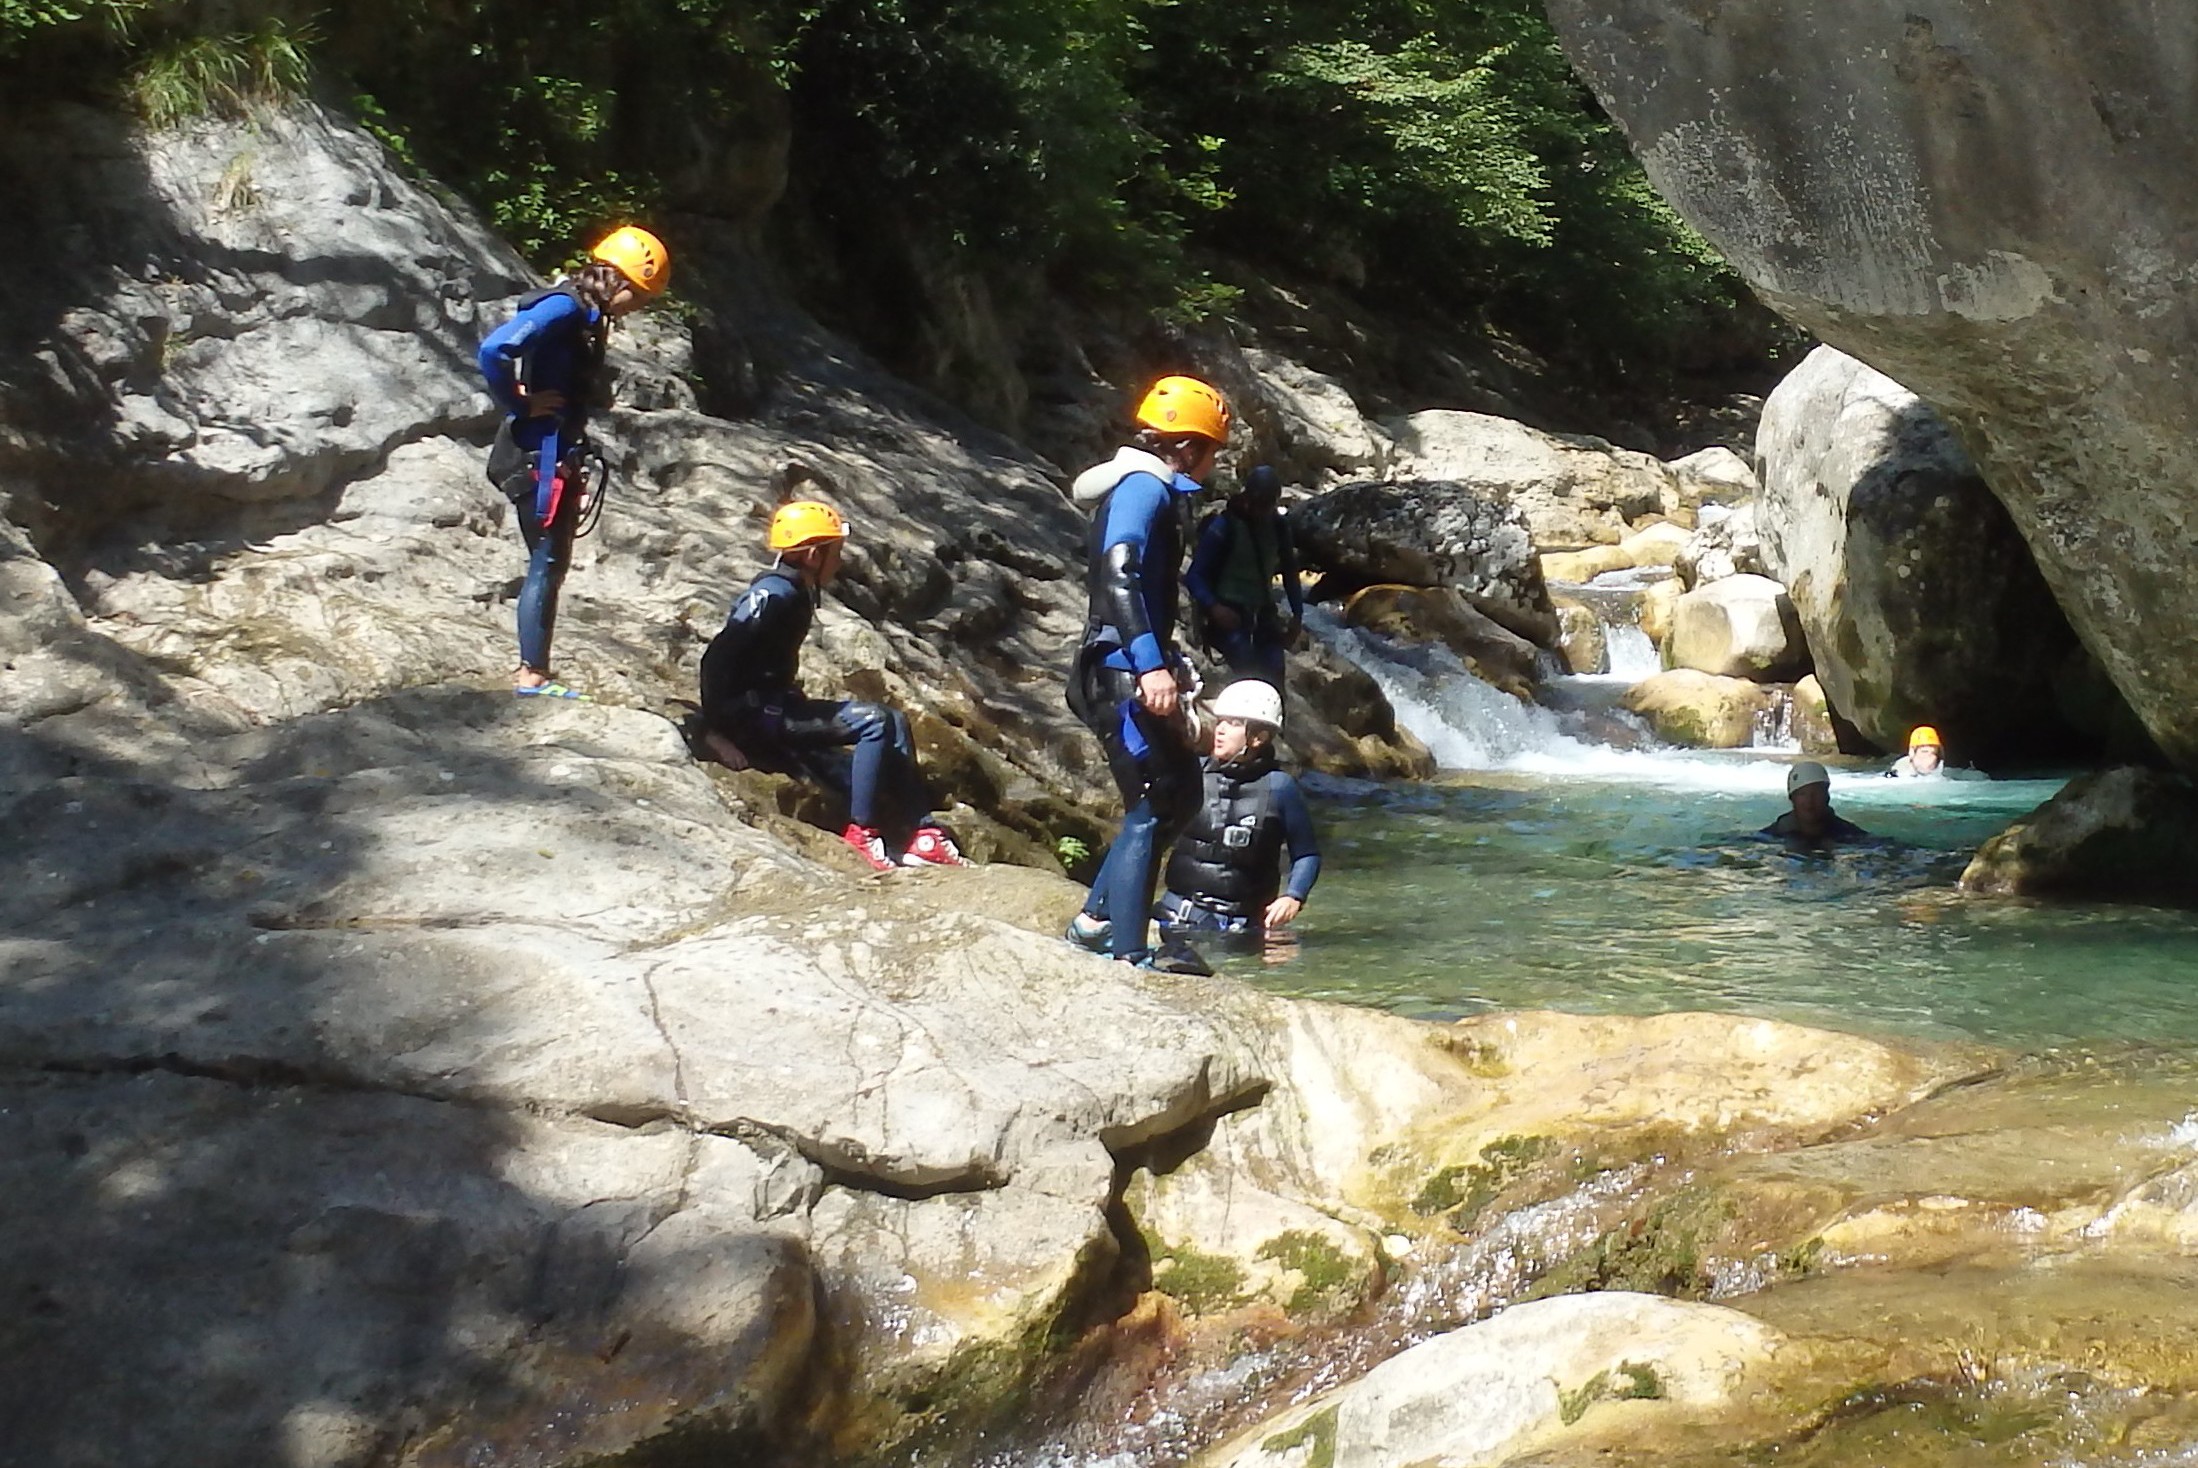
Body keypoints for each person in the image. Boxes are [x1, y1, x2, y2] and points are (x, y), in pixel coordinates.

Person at [696, 501, 970, 872]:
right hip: (753, 716)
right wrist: (714, 730)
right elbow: (716, 659)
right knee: (873, 722)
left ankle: (922, 834)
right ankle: (861, 832)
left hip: (772, 707)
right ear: (812, 555)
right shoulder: (774, 596)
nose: (839, 562)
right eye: (835, 553)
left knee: (894, 720)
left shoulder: (795, 589)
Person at [1063, 374, 1232, 972]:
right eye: (1212, 450)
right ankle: (1127, 949)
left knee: (1181, 792)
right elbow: (1119, 572)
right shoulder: (1143, 488)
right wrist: (1150, 663)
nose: (1214, 463)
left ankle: (1097, 919)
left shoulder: (1151, 487)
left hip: (1127, 666)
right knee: (1154, 801)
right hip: (1118, 672)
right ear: (1186, 447)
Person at [478, 225, 671, 698]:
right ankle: (531, 675)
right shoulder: (563, 307)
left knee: (552, 560)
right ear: (618, 280)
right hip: (535, 453)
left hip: (554, 450)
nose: (636, 308)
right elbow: (494, 349)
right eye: (638, 297)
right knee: (546, 560)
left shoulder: (585, 314)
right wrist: (521, 402)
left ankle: (534, 669)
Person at [1155, 679, 1320, 950]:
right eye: (1220, 721)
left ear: (1258, 737)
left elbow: (1307, 854)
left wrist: (1294, 896)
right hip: (1176, 916)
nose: (1219, 730)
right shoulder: (1190, 774)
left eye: (1232, 724)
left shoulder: (1280, 788)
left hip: (1243, 928)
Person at [1184, 464, 1304, 681]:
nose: (1263, 510)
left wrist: (1297, 615)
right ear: (1248, 497)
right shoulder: (1224, 527)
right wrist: (1214, 607)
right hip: (1229, 616)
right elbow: (1195, 575)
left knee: (1274, 671)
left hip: (1264, 616)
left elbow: (1290, 571)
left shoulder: (1279, 527)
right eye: (1259, 504)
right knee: (1245, 667)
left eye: (1268, 505)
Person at [1761, 761, 1869, 845]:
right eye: (1802, 794)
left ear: (1827, 797)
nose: (1809, 801)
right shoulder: (1772, 834)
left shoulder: (1849, 833)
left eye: (1817, 793)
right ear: (1792, 798)